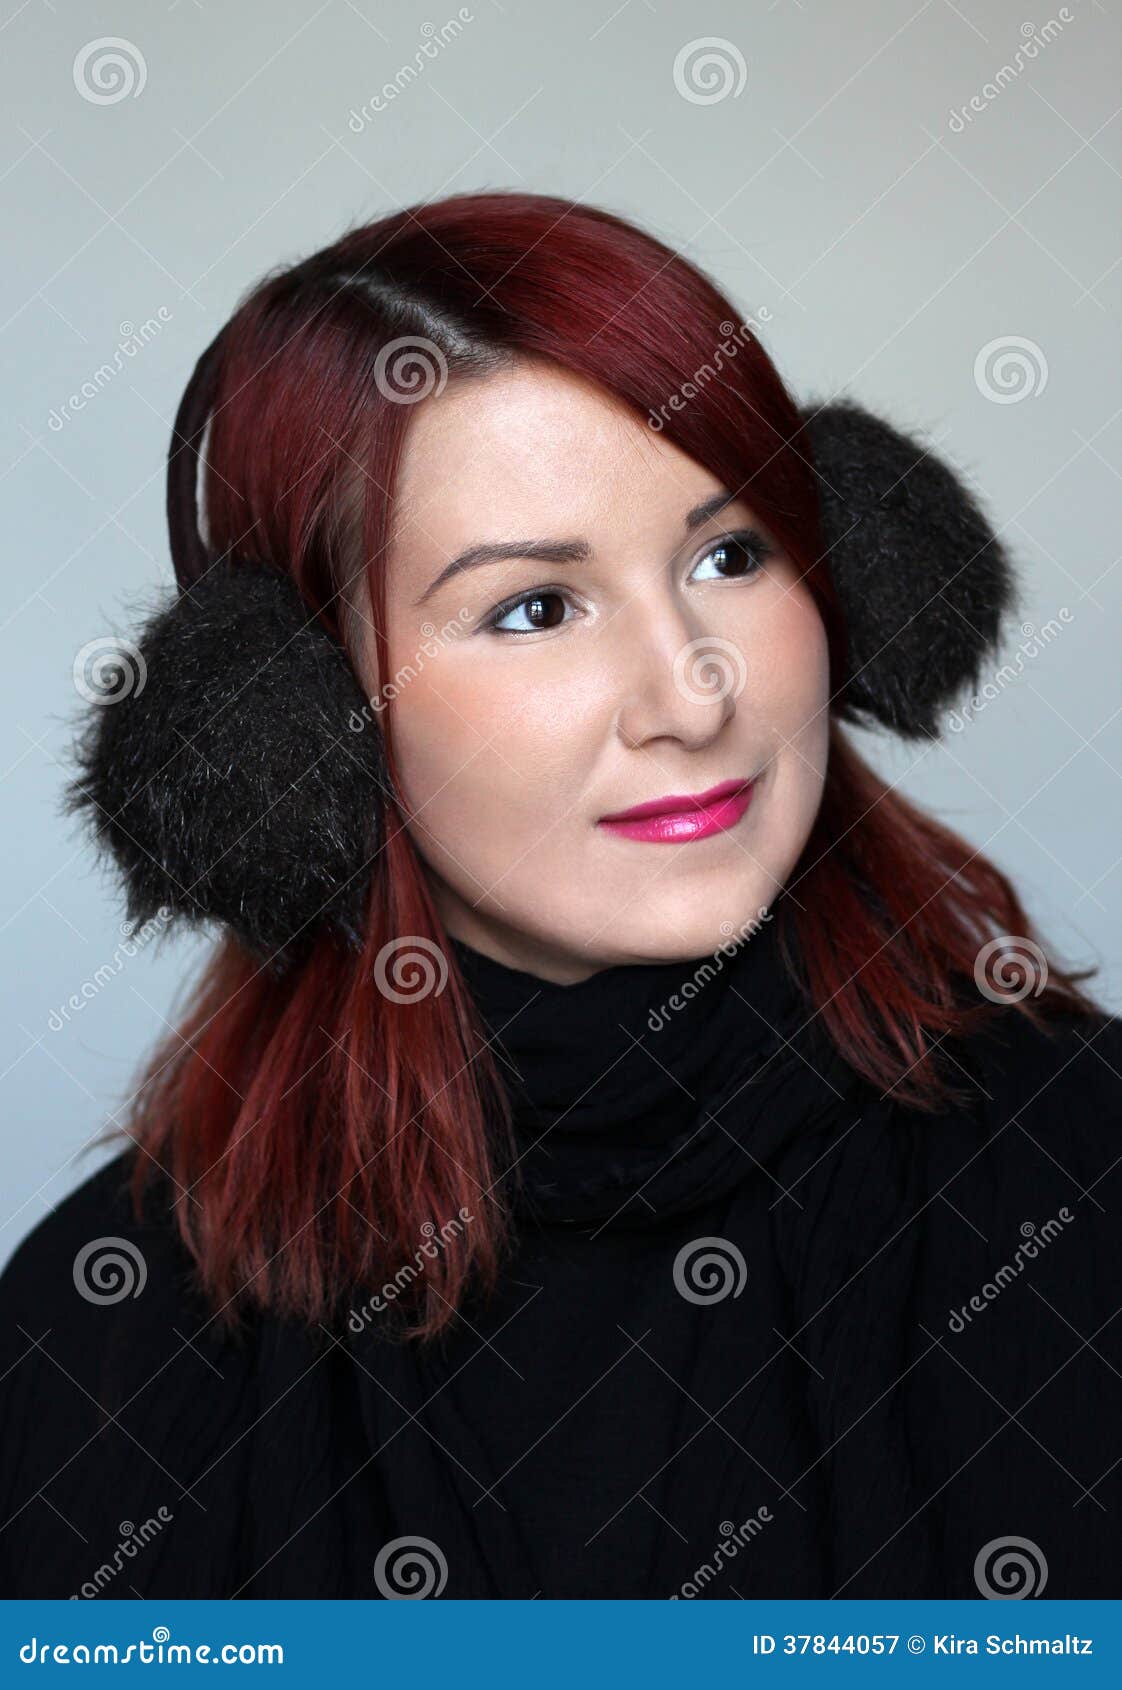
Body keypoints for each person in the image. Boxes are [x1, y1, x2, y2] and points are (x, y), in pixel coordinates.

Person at [1, 190, 1118, 1600]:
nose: (691, 693)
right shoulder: (97, 1344)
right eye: (534, 608)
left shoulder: (1077, 1183)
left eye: (729, 554)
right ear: (292, 722)